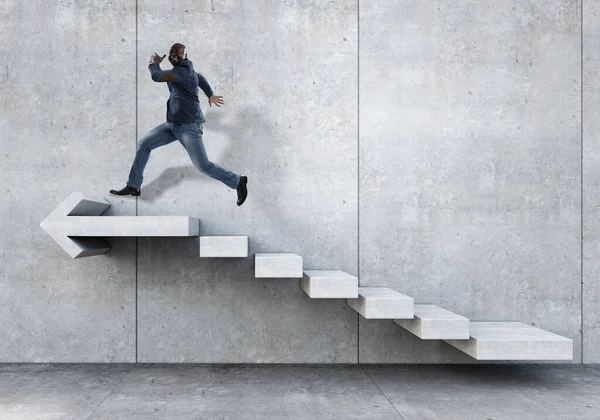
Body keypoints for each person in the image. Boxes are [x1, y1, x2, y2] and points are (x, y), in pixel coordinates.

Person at [110, 43, 248, 206]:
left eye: (177, 54)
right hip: (172, 125)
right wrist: (210, 94)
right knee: (143, 144)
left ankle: (238, 181)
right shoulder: (188, 71)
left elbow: (157, 76)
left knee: (203, 166)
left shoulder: (181, 73)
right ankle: (133, 186)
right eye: (171, 54)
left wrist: (153, 62)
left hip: (189, 128)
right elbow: (200, 78)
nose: (173, 57)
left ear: (185, 56)